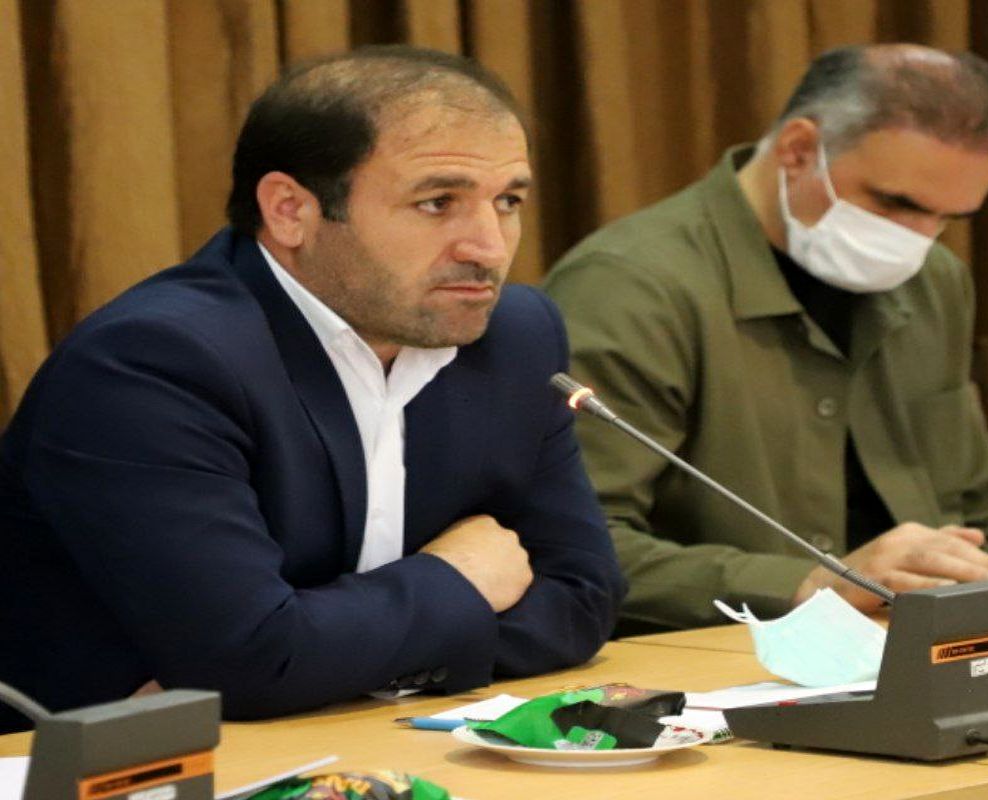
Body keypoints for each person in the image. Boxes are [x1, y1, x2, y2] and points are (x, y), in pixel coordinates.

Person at [0, 45, 625, 733]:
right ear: (290, 210)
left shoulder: (513, 337)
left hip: (360, 744)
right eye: (437, 202)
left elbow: (583, 601)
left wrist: (326, 658)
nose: (488, 247)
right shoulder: (152, 363)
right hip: (125, 769)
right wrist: (459, 581)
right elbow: (248, 658)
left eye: (507, 201)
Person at [544, 44, 988, 635]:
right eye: (896, 203)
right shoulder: (631, 286)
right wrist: (807, 583)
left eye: (948, 217)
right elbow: (574, 545)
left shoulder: (937, 281)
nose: (919, 238)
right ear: (798, 151)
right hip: (706, 658)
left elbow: (975, 502)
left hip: (916, 644)